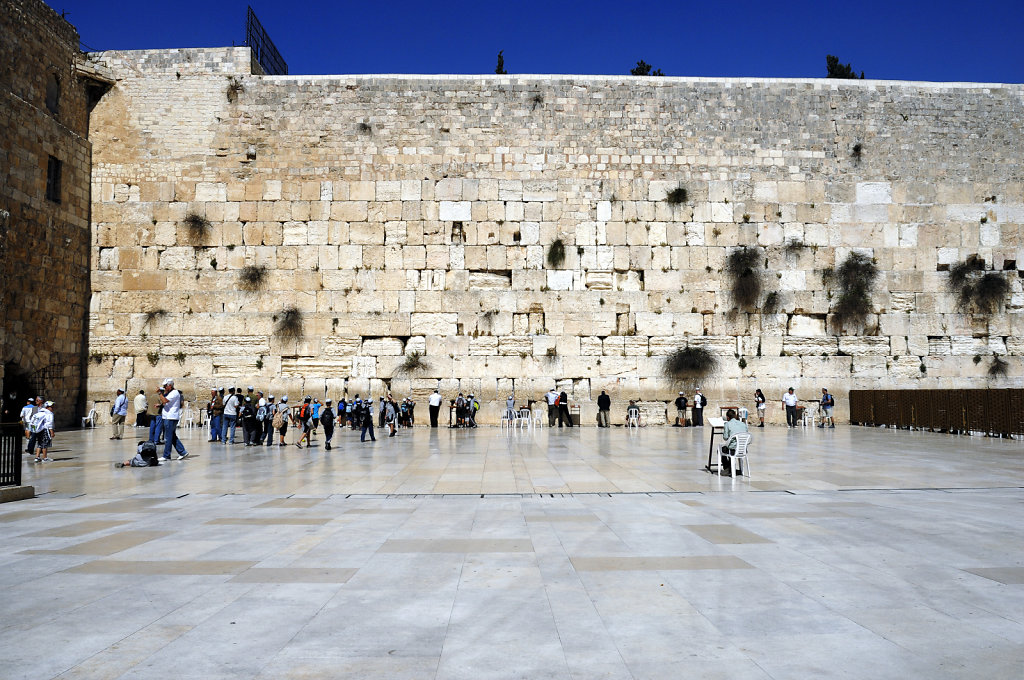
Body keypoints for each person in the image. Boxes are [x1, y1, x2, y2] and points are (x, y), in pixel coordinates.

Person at [158, 378, 189, 461]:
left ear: (170, 386)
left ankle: (166, 455)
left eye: (165, 386)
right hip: (168, 417)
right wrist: (160, 405)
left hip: (170, 417)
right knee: (172, 436)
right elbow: (167, 403)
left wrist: (159, 393)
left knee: (168, 437)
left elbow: (165, 400)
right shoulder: (171, 393)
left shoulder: (174, 393)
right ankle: (182, 452)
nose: (164, 388)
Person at [720, 408, 749, 475]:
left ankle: (728, 468)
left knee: (721, 449)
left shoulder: (727, 424)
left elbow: (725, 437)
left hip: (733, 450)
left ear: (727, 417)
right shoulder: (743, 424)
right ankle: (731, 469)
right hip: (743, 449)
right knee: (731, 447)